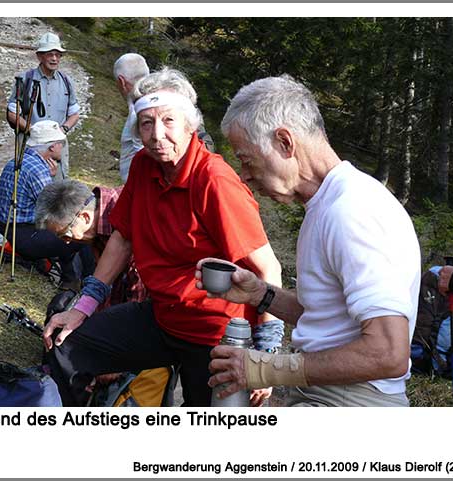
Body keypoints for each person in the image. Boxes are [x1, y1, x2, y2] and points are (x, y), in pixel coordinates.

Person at [44, 67, 282, 407]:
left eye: (168, 121)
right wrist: (83, 307)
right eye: (146, 123)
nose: (157, 134)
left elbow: (268, 269)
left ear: (191, 125)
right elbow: (122, 237)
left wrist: (268, 351)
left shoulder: (215, 181)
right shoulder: (144, 165)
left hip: (215, 333)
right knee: (67, 344)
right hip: (161, 317)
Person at [198, 75, 422, 407]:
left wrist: (265, 368)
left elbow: (388, 353)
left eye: (246, 160)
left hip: (352, 401)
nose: (244, 175)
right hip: (329, 393)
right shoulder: (326, 204)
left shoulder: (353, 211)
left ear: (284, 142)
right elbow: (327, 316)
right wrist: (261, 293)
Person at [0, 120, 86, 289]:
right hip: (22, 235)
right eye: (61, 144)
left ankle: (70, 277)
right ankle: (72, 281)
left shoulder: (19, 160)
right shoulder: (38, 169)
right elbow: (58, 208)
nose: (62, 148)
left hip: (6, 229)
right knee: (79, 234)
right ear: (51, 147)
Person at [35, 179, 146, 307]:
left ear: (85, 217)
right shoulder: (97, 226)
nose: (66, 242)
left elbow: (137, 293)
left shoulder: (129, 215)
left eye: (66, 235)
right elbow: (112, 282)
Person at [7, 32, 80, 180]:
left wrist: (63, 129)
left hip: (57, 147)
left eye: (58, 55)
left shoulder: (66, 81)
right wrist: (32, 130)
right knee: (28, 184)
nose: (54, 58)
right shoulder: (24, 79)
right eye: (50, 54)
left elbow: (74, 113)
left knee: (57, 189)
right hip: (30, 145)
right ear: (40, 56)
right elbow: (12, 113)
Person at [112, 53, 150, 182]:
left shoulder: (140, 112)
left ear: (122, 82)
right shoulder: (154, 103)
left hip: (141, 190)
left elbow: (148, 160)